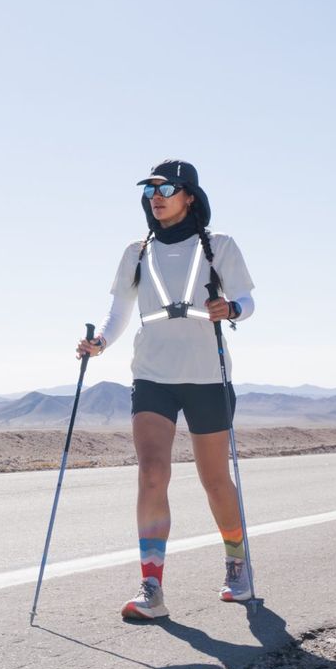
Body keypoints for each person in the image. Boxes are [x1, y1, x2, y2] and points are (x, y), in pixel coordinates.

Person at [75, 159, 256, 620]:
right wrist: (100, 343)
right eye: (150, 189)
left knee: (214, 480)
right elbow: (119, 310)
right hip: (153, 374)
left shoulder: (220, 246)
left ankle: (237, 564)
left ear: (189, 195)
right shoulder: (136, 251)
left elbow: (248, 301)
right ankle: (151, 588)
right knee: (152, 472)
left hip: (207, 377)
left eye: (167, 188)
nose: (156, 196)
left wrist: (230, 307)